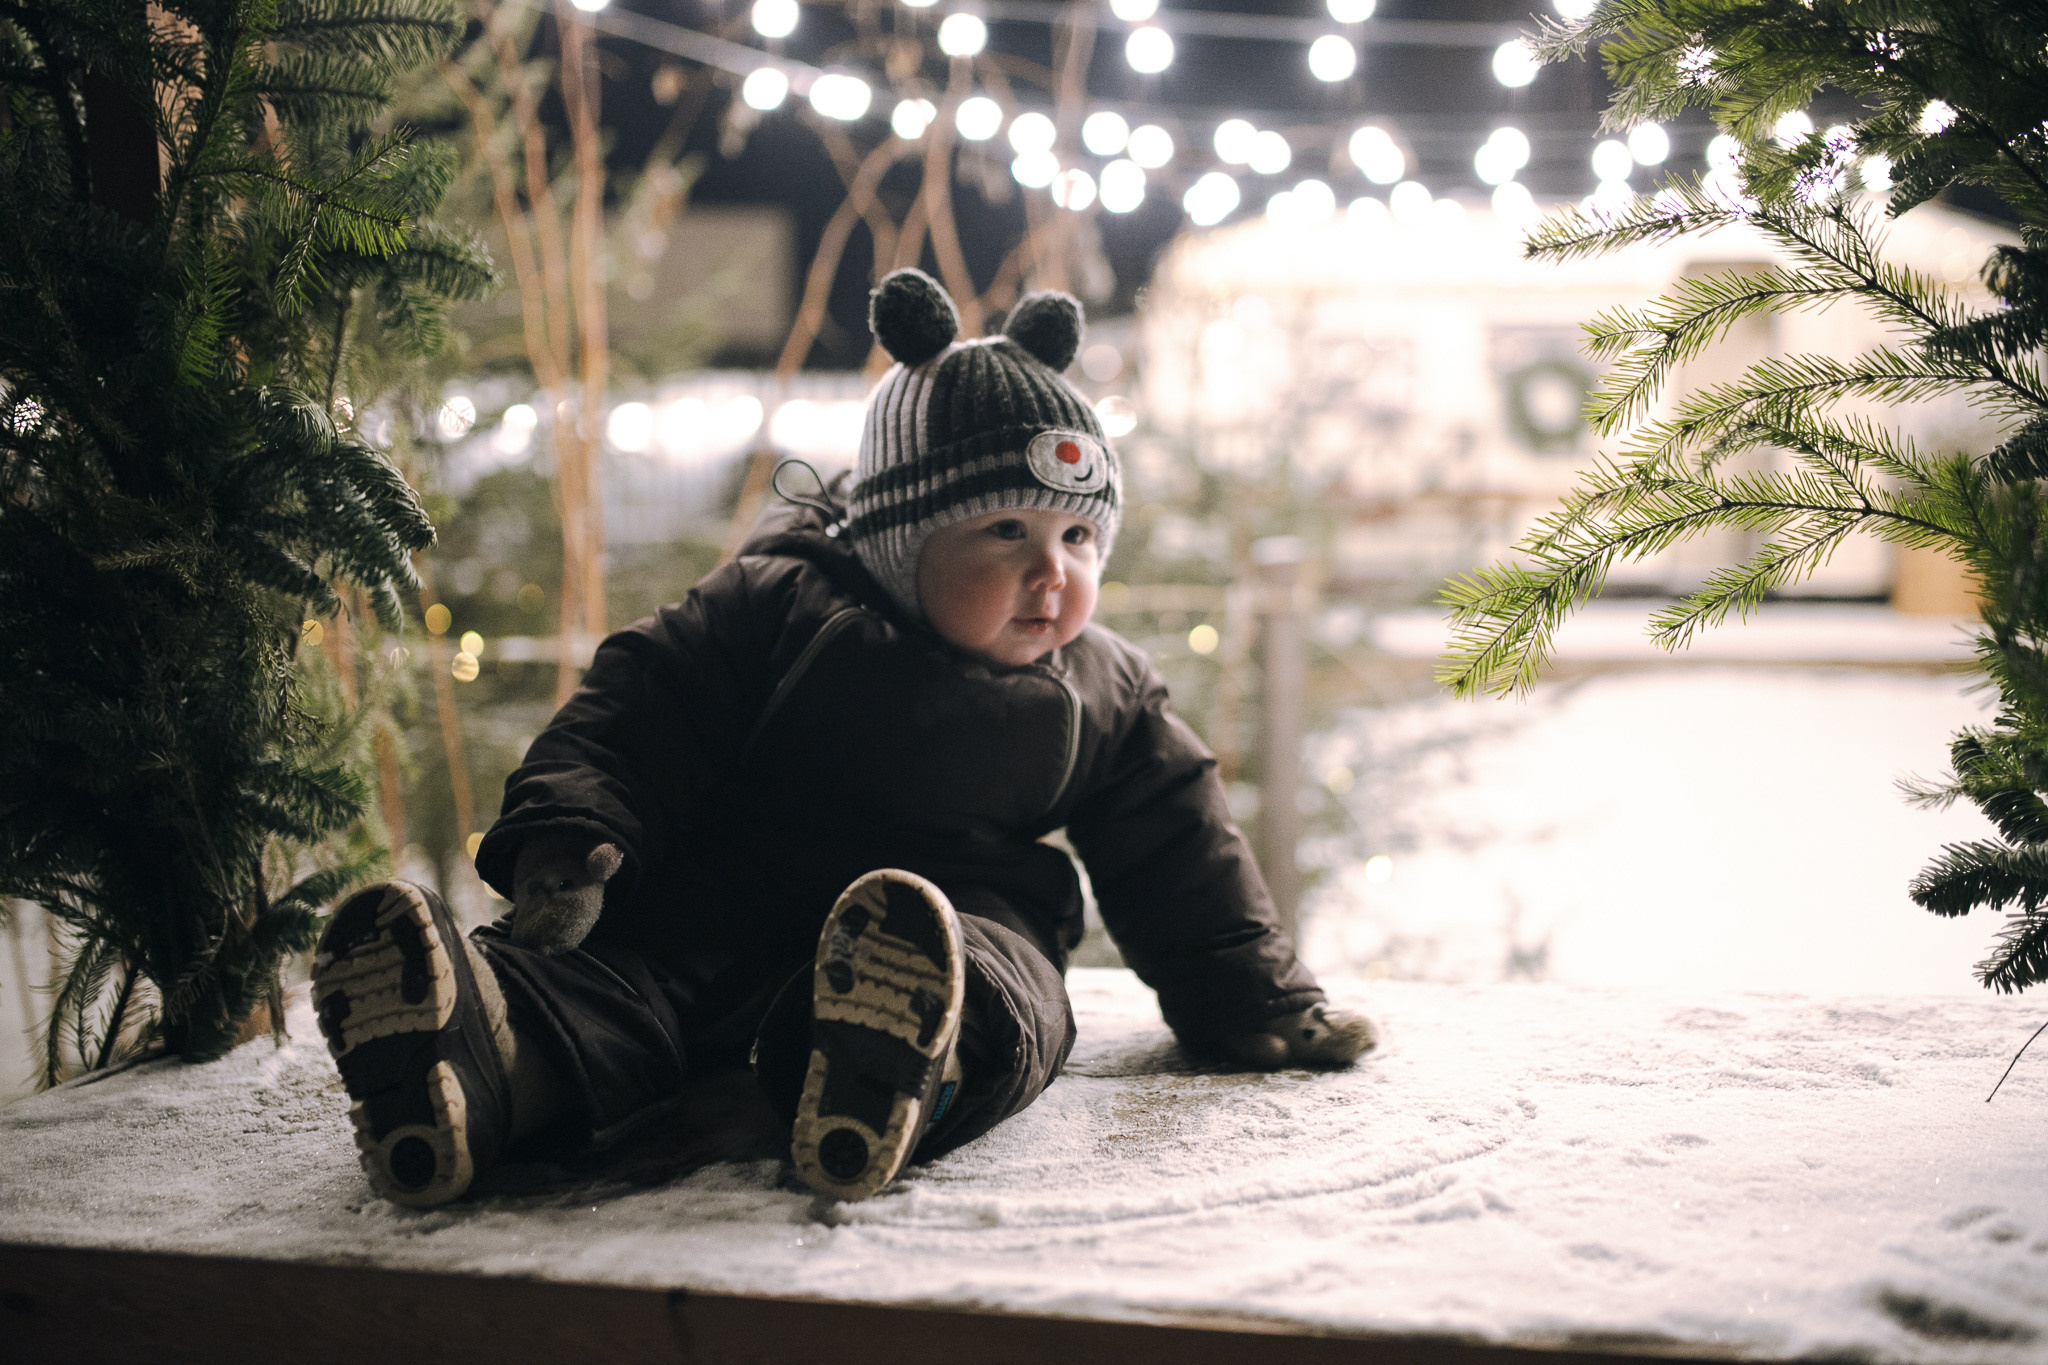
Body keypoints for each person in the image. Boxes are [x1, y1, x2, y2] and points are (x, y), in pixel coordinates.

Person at [311, 269, 1376, 1210]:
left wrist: (1250, 1000)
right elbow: (640, 705)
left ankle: (903, 1062)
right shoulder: (778, 607)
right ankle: (478, 1056)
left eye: (1078, 535)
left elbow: (1178, 845)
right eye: (1004, 531)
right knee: (601, 984)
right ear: (903, 537)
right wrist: (569, 837)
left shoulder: (1103, 687)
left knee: (1010, 987)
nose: (1051, 572)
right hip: (714, 907)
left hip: (955, 915)